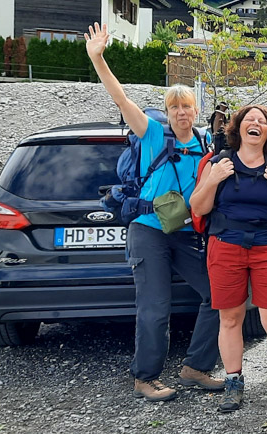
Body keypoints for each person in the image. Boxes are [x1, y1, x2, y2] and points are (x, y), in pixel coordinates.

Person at [85, 23, 222, 401]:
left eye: (186, 106)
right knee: (156, 308)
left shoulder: (205, 143)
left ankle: (196, 367)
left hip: (182, 230)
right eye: (174, 106)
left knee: (219, 296)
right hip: (147, 229)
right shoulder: (150, 133)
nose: (181, 111)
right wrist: (98, 58)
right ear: (167, 112)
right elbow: (120, 99)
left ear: (196, 110)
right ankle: (145, 377)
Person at [189, 105, 267, 412]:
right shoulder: (219, 162)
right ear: (239, 127)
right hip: (226, 245)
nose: (255, 123)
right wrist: (214, 179)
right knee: (230, 319)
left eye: (262, 121)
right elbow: (198, 207)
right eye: (249, 120)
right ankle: (233, 381)